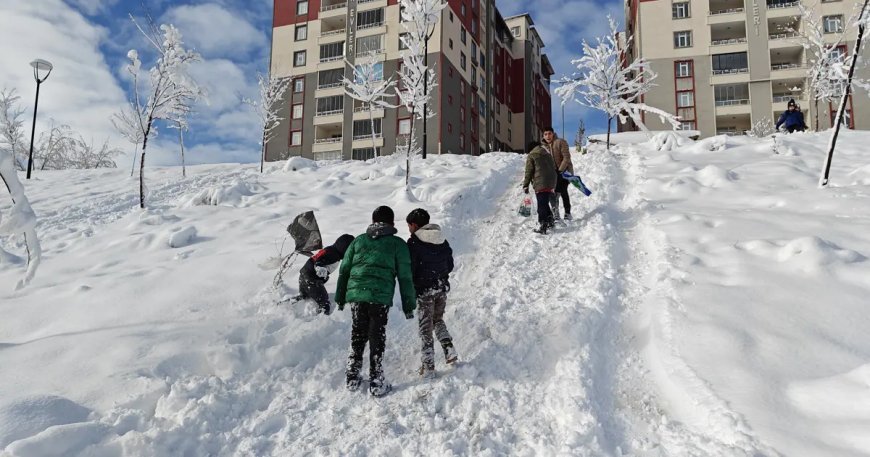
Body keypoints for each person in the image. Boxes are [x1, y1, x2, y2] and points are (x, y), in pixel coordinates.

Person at [335, 206, 416, 397]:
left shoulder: (358, 241)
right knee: (376, 336)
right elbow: (405, 276)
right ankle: (377, 381)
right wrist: (409, 305)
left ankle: (352, 377)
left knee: (358, 333)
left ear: (373, 221)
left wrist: (340, 297)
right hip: (379, 296)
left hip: (357, 295)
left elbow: (344, 270)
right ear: (392, 222)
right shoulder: (397, 244)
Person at [405, 208, 457, 379]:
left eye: (409, 226)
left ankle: (428, 365)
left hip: (424, 291)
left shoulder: (413, 243)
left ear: (414, 225)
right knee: (437, 320)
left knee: (425, 328)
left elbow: (411, 269)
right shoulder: (442, 240)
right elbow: (450, 265)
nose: (409, 229)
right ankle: (448, 347)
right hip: (441, 288)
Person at [295, 234, 355, 315]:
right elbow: (319, 261)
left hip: (304, 274)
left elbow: (319, 258)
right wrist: (319, 267)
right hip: (311, 279)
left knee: (304, 297)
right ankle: (322, 320)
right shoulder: (333, 255)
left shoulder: (331, 250)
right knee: (324, 303)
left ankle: (286, 306)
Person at [522, 141, 558, 234]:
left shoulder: (532, 155)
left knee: (541, 205)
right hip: (552, 182)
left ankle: (543, 225)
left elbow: (529, 171)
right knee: (544, 202)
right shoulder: (548, 154)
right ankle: (550, 220)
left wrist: (525, 185)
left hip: (541, 182)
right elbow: (553, 167)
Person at [542, 127, 573, 220]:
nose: (548, 136)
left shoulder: (560, 142)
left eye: (549, 133)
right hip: (553, 174)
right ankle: (557, 214)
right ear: (543, 136)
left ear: (553, 134)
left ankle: (567, 213)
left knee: (562, 191)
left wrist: (560, 170)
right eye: (545, 134)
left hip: (564, 172)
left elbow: (566, 157)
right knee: (556, 193)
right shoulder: (543, 147)